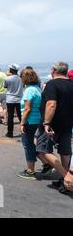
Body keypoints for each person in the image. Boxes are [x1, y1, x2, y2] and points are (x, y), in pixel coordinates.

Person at [36, 62, 73, 194]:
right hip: (68, 124)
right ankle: (65, 183)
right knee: (65, 151)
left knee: (43, 149)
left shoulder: (52, 84)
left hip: (52, 124)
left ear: (53, 70)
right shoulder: (71, 84)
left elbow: (51, 104)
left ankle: (67, 177)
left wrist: (46, 123)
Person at [17, 68, 42, 180]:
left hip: (29, 120)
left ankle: (30, 170)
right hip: (37, 119)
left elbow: (27, 109)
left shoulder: (29, 90)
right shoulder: (37, 88)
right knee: (31, 144)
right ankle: (47, 164)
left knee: (27, 145)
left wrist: (22, 123)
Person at [4, 64, 24, 138]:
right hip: (19, 99)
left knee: (10, 116)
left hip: (10, 99)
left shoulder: (7, 79)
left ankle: (10, 133)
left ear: (12, 70)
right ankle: (24, 131)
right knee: (20, 116)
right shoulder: (21, 78)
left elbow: (5, 86)